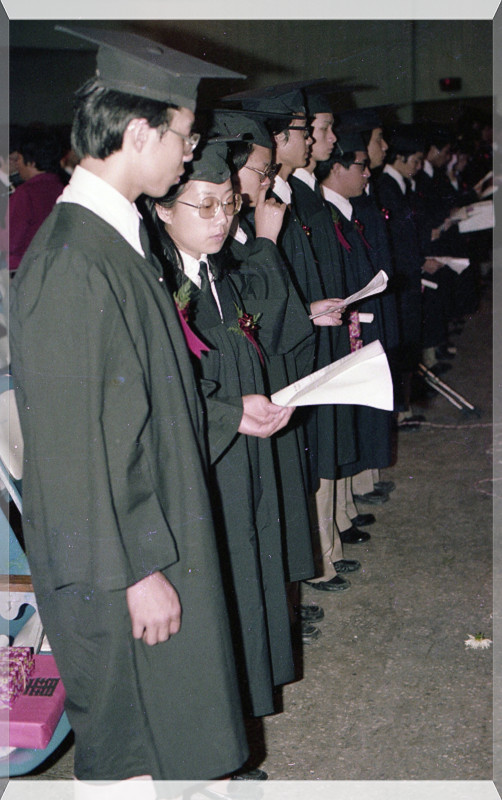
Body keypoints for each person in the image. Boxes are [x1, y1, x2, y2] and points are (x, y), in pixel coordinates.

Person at [9, 24, 255, 792]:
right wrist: (135, 571)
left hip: (147, 526)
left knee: (174, 729)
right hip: (117, 557)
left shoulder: (114, 239)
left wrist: (230, 414)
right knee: (130, 751)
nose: (189, 153)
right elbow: (71, 449)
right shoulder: (71, 261)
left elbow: (143, 397)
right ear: (141, 132)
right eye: (186, 136)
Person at [144, 139, 297, 726]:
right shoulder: (157, 289)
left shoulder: (217, 272)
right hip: (201, 462)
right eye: (204, 205)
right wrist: (231, 413)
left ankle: (246, 707)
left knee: (247, 566)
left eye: (229, 204)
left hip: (240, 454)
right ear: (163, 208)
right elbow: (160, 397)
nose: (221, 219)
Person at [8, 126, 65, 271]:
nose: (17, 164)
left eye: (19, 158)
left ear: (32, 162)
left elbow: (10, 243)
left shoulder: (25, 193)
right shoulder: (63, 189)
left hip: (22, 269)